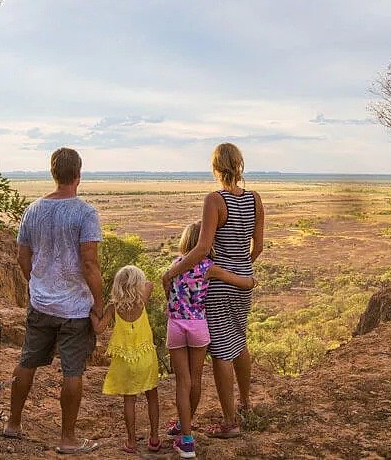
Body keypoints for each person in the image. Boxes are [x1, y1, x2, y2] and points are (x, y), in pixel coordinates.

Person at [161, 142, 264, 439]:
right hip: (244, 279)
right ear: (240, 165)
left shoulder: (214, 200)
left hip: (218, 281)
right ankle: (245, 404)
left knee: (220, 349)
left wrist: (172, 272)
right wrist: (242, 267)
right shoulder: (255, 199)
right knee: (239, 339)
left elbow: (202, 248)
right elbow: (258, 247)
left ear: (216, 168)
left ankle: (230, 422)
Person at [4, 147, 103, 455]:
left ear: (53, 173)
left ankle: (13, 424)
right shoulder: (85, 213)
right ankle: (68, 438)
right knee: (72, 371)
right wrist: (99, 305)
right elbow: (89, 264)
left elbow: (23, 257)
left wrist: (37, 284)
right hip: (74, 307)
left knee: (27, 361)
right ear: (78, 175)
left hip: (41, 302)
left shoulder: (32, 210)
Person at [163, 221, 256, 458]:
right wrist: (251, 281)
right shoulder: (208, 267)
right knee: (195, 380)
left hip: (175, 326)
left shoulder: (174, 265)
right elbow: (240, 281)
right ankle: (186, 435)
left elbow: (168, 294)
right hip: (198, 327)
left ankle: (184, 433)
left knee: (182, 382)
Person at [91, 265, 161, 455]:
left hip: (124, 362)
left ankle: (131, 441)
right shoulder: (142, 301)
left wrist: (91, 311)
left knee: (129, 401)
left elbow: (98, 329)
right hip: (146, 357)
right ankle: (154, 438)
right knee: (152, 397)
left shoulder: (113, 308)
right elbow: (149, 284)